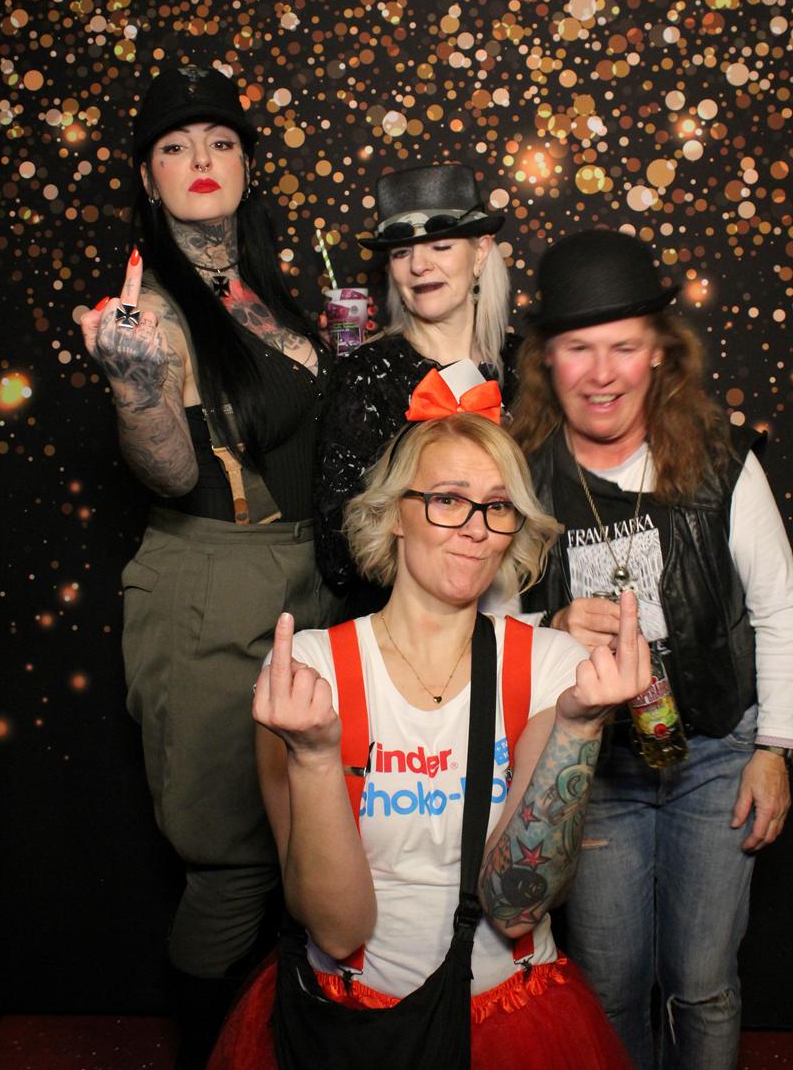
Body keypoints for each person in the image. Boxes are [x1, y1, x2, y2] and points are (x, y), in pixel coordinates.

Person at [209, 405, 644, 1070]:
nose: (476, 527)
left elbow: (516, 907)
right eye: (448, 500)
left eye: (497, 506)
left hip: (511, 1015)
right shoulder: (313, 671)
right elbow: (337, 931)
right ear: (394, 513)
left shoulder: (551, 667)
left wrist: (580, 726)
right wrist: (316, 756)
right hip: (348, 1023)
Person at [79, 65, 339, 1069]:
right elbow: (171, 471)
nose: (201, 159)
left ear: (247, 166)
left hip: (307, 580)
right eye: (175, 146)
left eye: (221, 141)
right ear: (147, 176)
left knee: (312, 851)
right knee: (231, 868)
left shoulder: (260, 290)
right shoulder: (151, 309)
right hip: (212, 586)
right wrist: (136, 389)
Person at [508, 227, 793, 1070]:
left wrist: (775, 749)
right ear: (547, 360)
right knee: (609, 984)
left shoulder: (722, 462)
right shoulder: (521, 476)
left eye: (624, 347)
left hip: (714, 754)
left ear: (659, 353)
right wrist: (550, 628)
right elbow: (483, 635)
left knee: (702, 984)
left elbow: (779, 610)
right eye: (579, 348)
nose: (602, 374)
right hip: (593, 769)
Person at [314, 161, 522, 616]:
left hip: (521, 619)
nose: (419, 265)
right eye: (401, 252)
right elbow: (338, 554)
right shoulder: (367, 376)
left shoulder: (523, 366)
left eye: (441, 246)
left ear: (481, 252)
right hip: (403, 625)